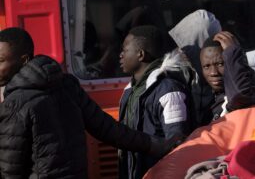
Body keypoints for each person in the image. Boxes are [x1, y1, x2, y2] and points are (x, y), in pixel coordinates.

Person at [0, 27, 178, 178]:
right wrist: (156, 145)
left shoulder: (14, 103)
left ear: (24, 60)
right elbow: (107, 128)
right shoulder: (66, 84)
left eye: (1, 61)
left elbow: (9, 170)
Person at [118, 25, 192, 179]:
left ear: (140, 54)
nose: (120, 55)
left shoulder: (169, 90)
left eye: (125, 50)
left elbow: (177, 144)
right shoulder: (130, 91)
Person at [200, 31, 255, 121]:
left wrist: (232, 52)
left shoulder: (251, 93)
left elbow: (239, 94)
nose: (213, 72)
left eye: (220, 64)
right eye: (206, 66)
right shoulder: (208, 99)